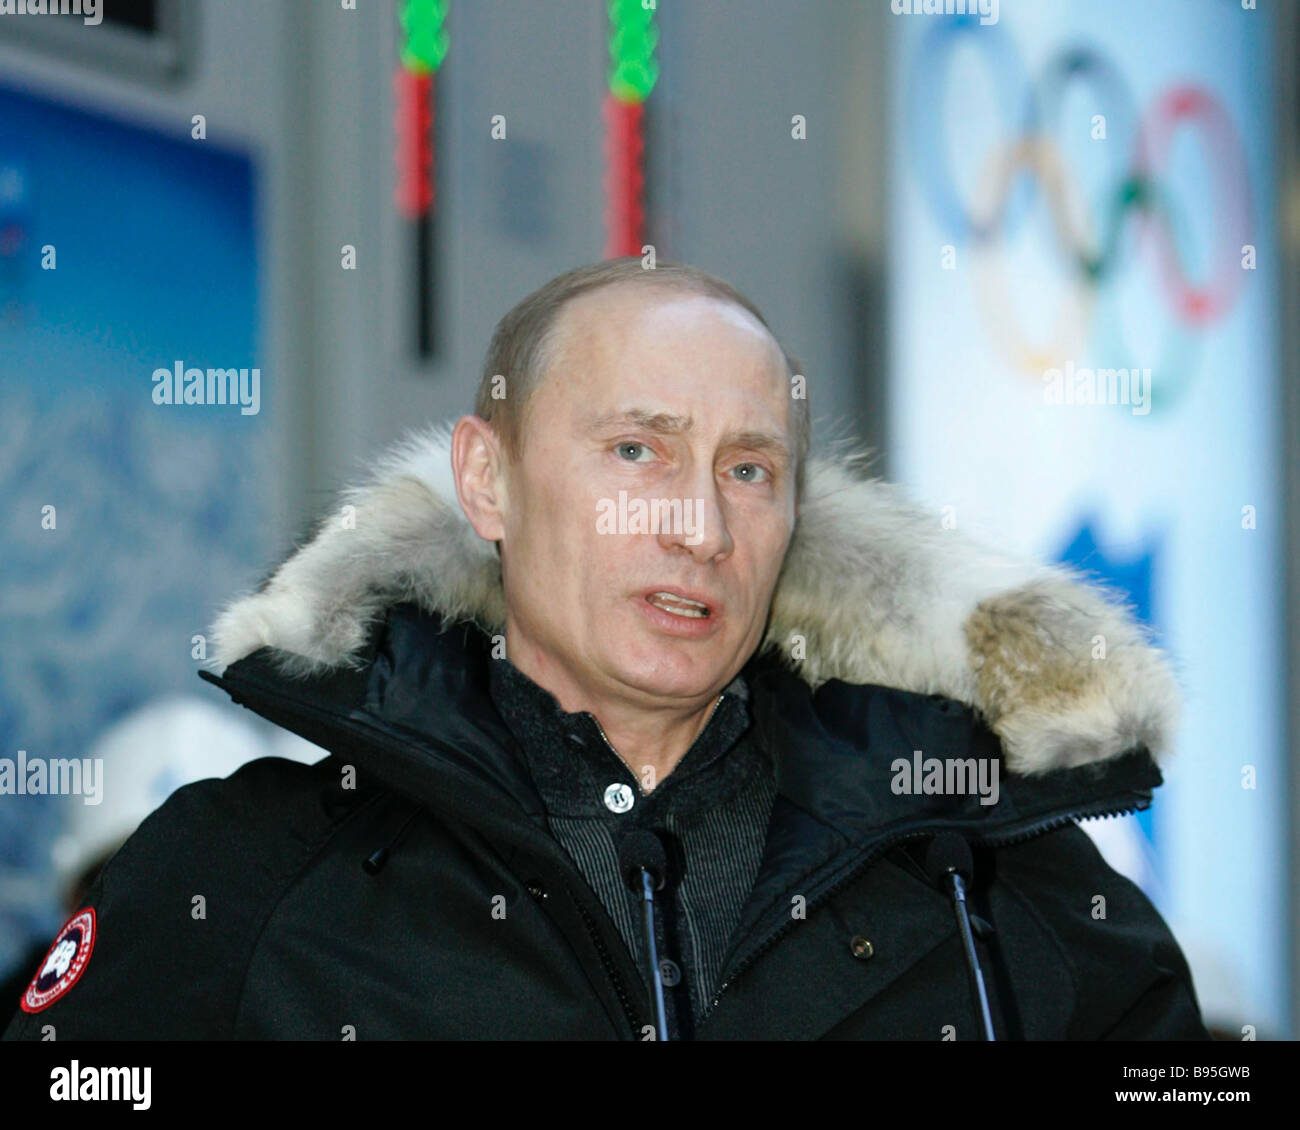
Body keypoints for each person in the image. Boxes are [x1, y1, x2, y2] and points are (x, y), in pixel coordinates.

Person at [4, 257, 1209, 1040]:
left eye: (749, 469)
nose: (697, 525)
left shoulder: (993, 879)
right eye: (637, 449)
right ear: (488, 479)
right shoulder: (244, 878)